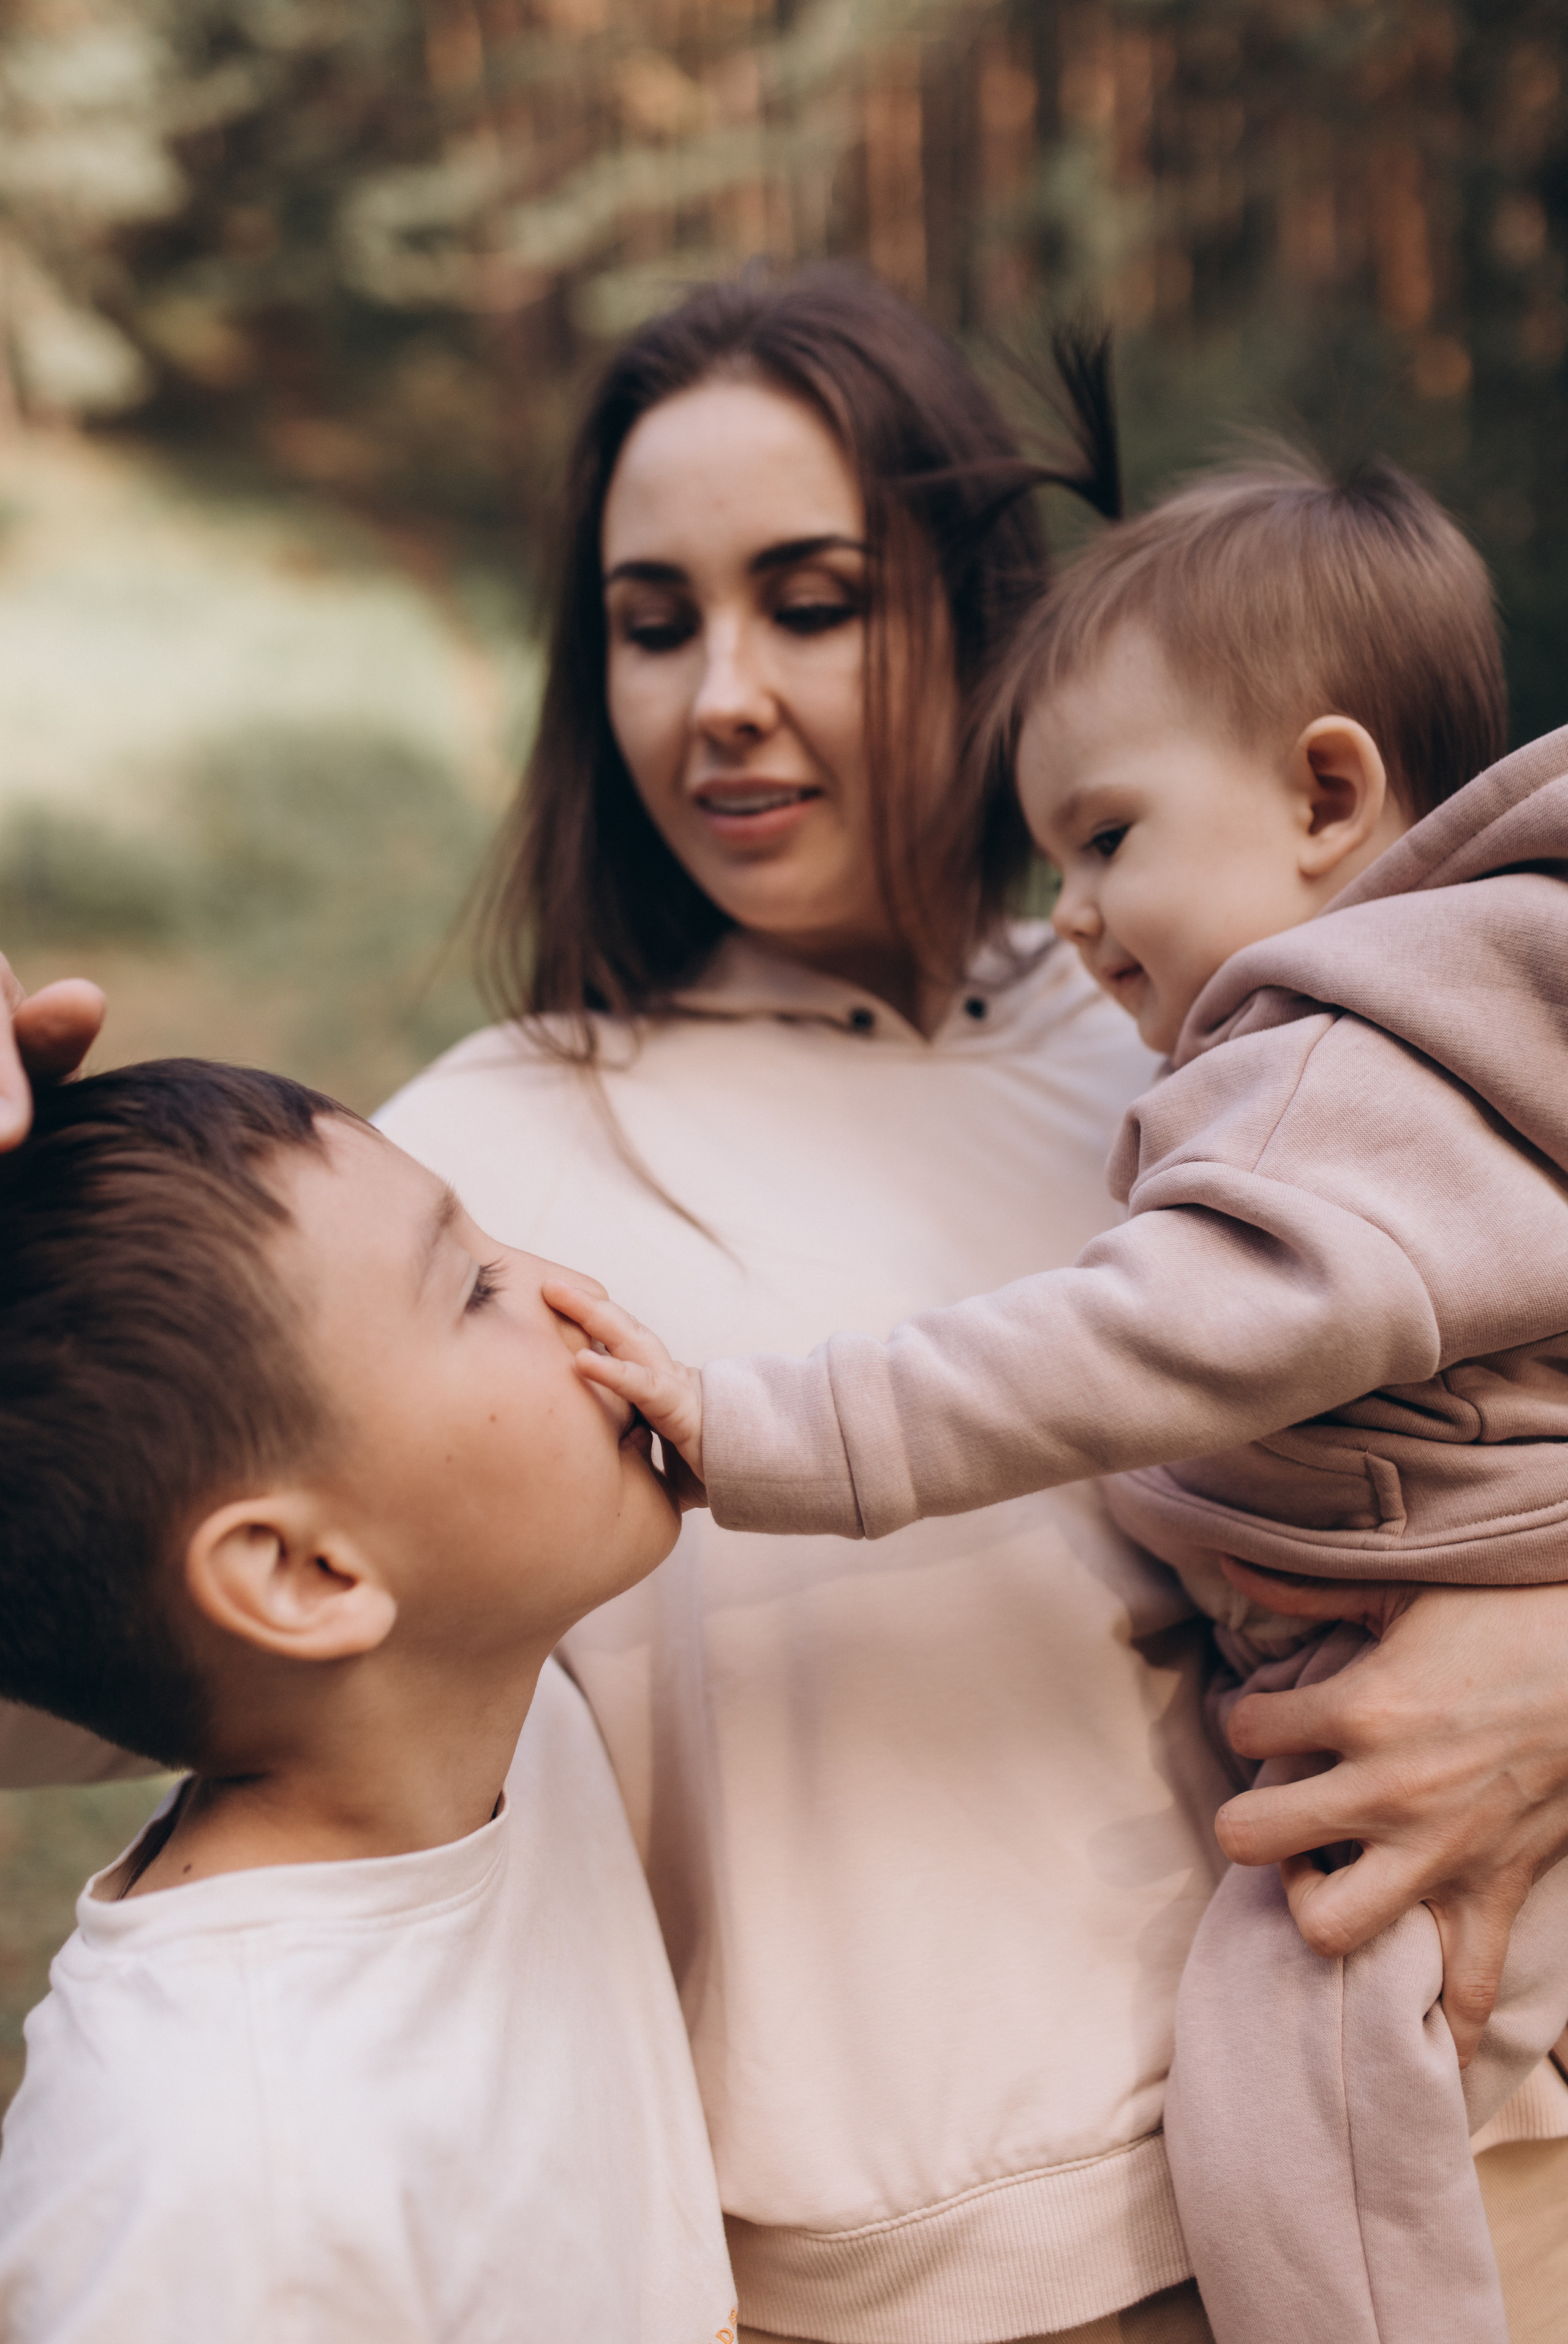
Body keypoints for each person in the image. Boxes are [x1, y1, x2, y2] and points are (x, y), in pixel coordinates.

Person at [4, 268, 1568, 2341]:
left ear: (985, 615)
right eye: (654, 625)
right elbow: (110, 1643)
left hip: (1454, 2163)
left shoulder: (1214, 1036)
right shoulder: (483, 1170)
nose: (720, 690)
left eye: (810, 599)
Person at [563, 452, 1568, 2344]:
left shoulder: (1305, 1079)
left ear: (1327, 793)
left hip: (1378, 1830)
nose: (1082, 919)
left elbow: (1125, 1342)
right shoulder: (1482, 1009)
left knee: (1297, 2089)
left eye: (1107, 841)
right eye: (647, 619)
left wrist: (770, 1425)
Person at [0, 1059, 736, 2344]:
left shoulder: (497, 1722)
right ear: (305, 1573)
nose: (568, 1286)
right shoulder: (220, 2186)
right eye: (474, 1287)